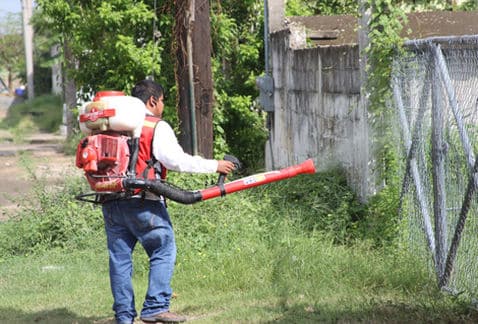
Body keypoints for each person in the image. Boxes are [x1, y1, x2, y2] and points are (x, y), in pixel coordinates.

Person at [101, 79, 235, 324]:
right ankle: (155, 307)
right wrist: (214, 165)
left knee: (120, 259)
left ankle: (123, 316)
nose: (162, 105)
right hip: (144, 201)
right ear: (153, 101)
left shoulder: (112, 125)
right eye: (162, 101)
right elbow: (175, 160)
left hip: (111, 200)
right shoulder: (154, 126)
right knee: (163, 249)